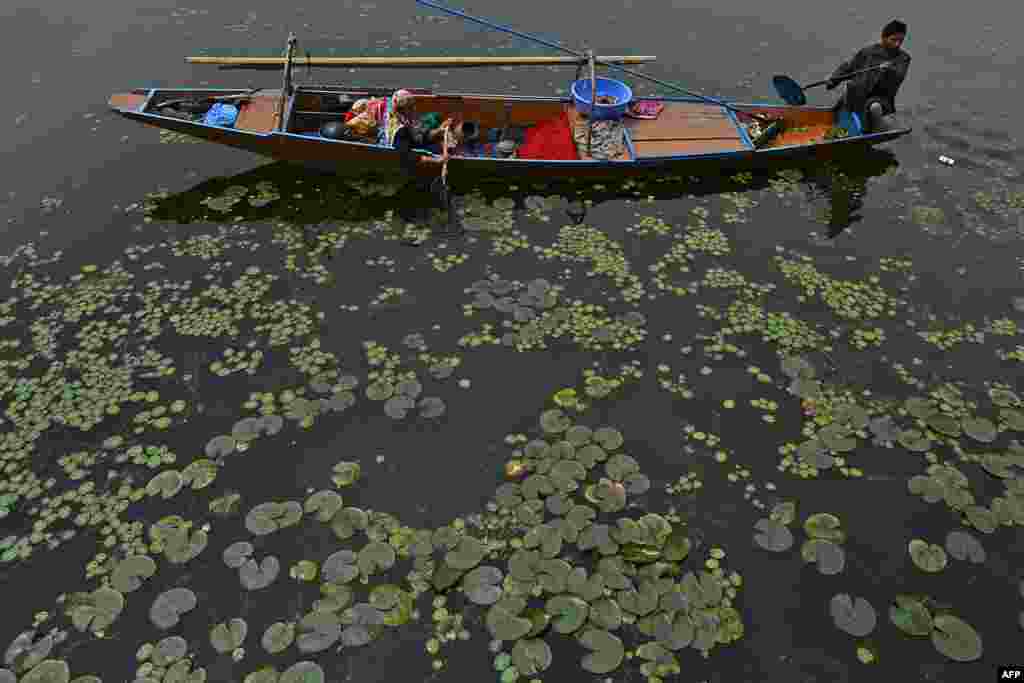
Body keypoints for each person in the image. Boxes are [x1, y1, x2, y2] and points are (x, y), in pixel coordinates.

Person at [386, 89, 463, 239]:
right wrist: (437, 160)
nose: (415, 109)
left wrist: (439, 130)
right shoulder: (400, 130)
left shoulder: (408, 118)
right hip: (409, 157)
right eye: (412, 107)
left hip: (414, 144)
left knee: (445, 143)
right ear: (404, 109)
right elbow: (407, 156)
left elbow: (421, 135)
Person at [827, 20, 911, 133]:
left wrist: (889, 70)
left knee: (875, 107)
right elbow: (849, 67)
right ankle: (847, 122)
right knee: (848, 89)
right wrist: (833, 79)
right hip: (857, 94)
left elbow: (899, 76)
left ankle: (876, 129)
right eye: (893, 40)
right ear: (883, 38)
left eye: (901, 41)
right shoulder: (867, 51)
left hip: (881, 98)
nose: (897, 44)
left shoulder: (903, 58)